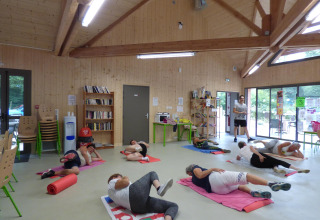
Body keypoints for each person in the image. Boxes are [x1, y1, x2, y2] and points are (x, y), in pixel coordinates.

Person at [185, 164, 291, 199]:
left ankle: (252, 192)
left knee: (238, 186)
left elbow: (198, 178)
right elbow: (200, 175)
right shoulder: (195, 168)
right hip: (215, 178)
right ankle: (271, 184)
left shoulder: (192, 181)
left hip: (218, 190)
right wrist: (212, 169)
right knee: (245, 176)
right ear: (190, 171)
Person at [108, 171, 178, 220]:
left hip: (136, 208)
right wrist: (125, 177)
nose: (121, 178)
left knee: (173, 206)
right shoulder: (112, 182)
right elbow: (126, 182)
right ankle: (159, 188)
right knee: (152, 174)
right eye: (120, 177)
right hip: (134, 194)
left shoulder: (112, 195)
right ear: (114, 178)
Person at [236, 141, 310, 174]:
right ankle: (297, 169)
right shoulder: (249, 146)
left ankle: (275, 168)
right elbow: (253, 151)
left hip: (254, 163)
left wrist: (241, 156)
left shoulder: (240, 151)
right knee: (277, 161)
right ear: (245, 144)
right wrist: (260, 155)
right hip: (256, 156)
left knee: (271, 163)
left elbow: (238, 158)